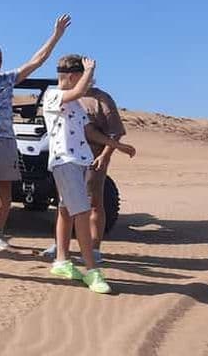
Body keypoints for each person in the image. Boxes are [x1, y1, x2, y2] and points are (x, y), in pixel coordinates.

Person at [0, 11, 72, 249]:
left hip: (8, 140)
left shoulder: (8, 79)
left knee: (5, 189)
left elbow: (36, 61)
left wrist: (56, 35)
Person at [42, 55, 134, 294]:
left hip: (81, 160)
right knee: (81, 212)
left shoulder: (76, 104)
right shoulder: (54, 95)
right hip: (65, 161)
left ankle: (61, 261)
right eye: (85, 77)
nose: (89, 81)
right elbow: (77, 90)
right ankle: (92, 271)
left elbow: (89, 131)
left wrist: (117, 146)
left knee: (65, 210)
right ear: (73, 76)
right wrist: (89, 71)